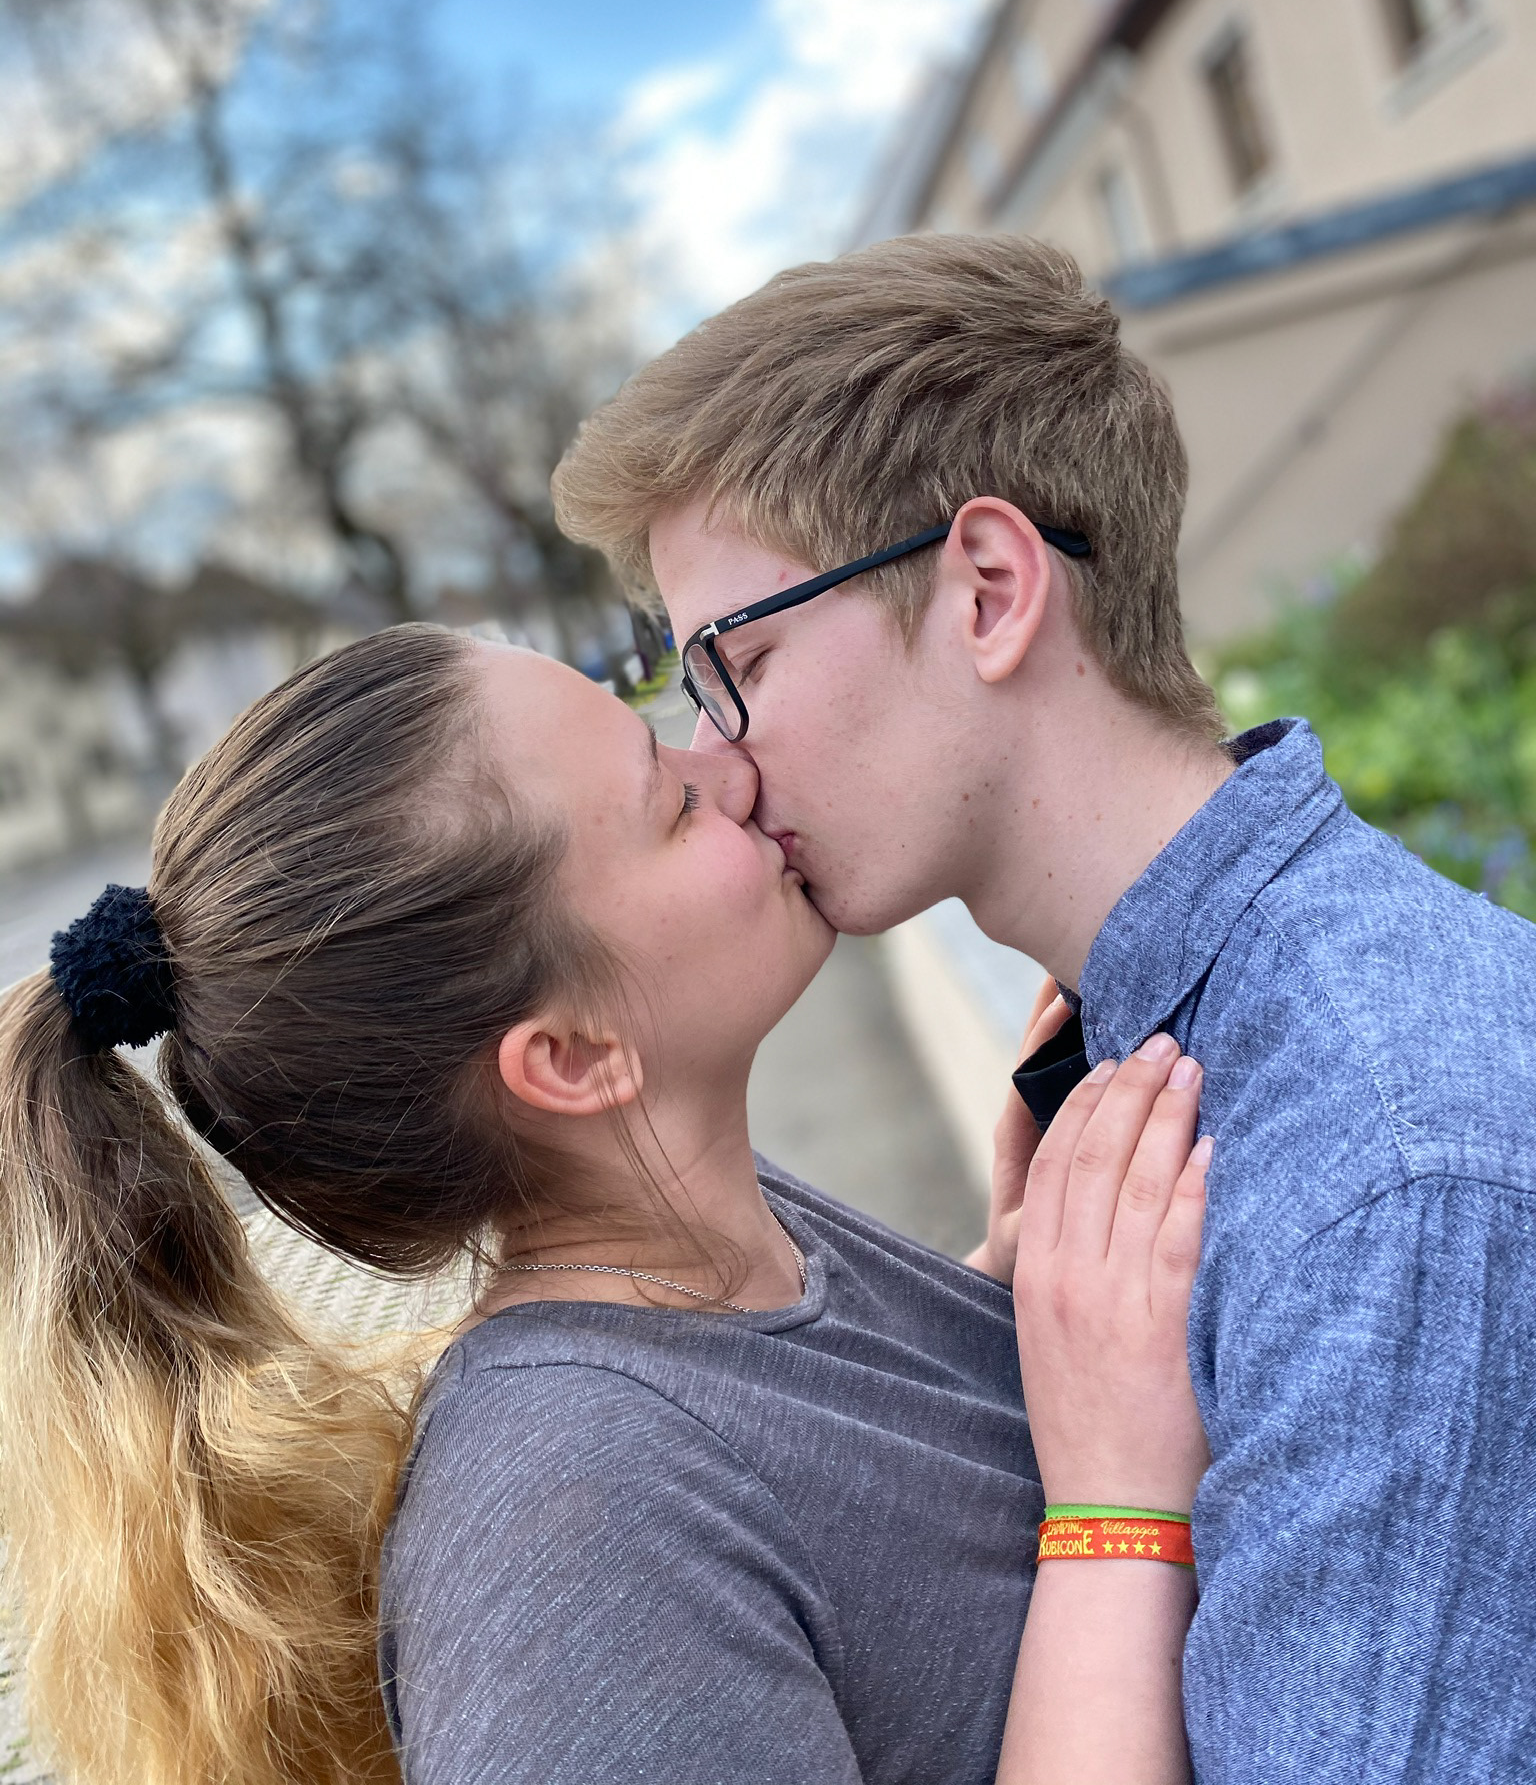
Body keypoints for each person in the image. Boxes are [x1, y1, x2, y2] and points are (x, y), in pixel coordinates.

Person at [551, 229, 1536, 1785]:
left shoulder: (1386, 1173)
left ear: (991, 590)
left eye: (739, 662)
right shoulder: (1167, 1049)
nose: (718, 759)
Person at [0, 622, 1212, 1785]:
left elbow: (839, 1514)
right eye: (670, 801)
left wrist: (1007, 1292)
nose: (729, 766)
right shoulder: (568, 1533)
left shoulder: (715, 1245)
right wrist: (1117, 1502)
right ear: (573, 1058)